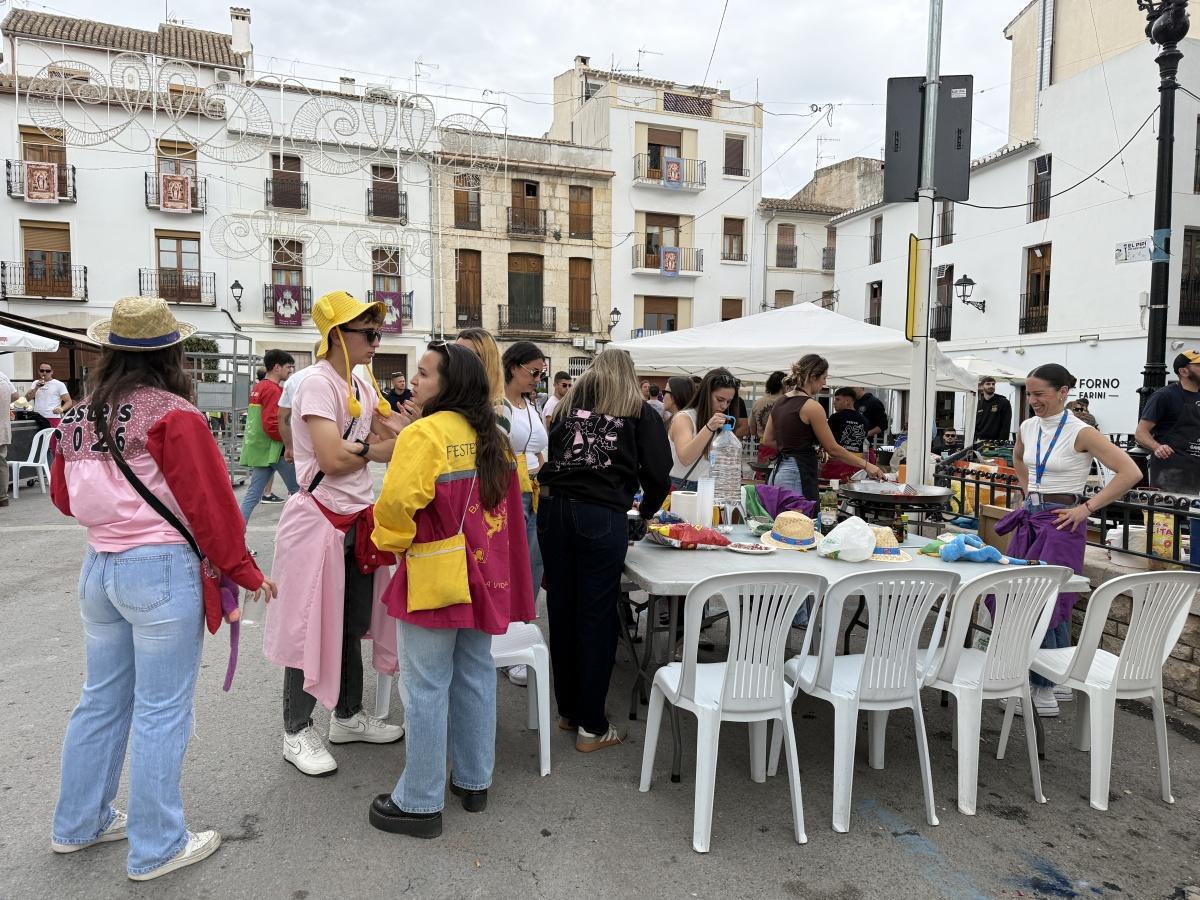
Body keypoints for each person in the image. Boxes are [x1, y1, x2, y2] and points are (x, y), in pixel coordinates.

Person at [48, 297, 275, 881]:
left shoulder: (75, 417)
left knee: (101, 699)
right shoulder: (173, 414)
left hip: (99, 567)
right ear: (172, 353)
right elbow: (212, 506)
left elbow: (64, 499)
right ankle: (157, 847)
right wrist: (245, 570)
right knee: (161, 711)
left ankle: (79, 822)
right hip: (159, 571)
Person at [369, 341, 533, 838]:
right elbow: (509, 510)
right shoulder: (494, 436)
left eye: (423, 373)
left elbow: (396, 506)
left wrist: (391, 544)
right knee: (475, 676)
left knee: (424, 687)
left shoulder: (423, 435)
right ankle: (473, 780)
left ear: (448, 383)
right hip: (483, 575)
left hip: (434, 573)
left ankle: (419, 800)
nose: (413, 382)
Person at [264, 291, 406, 777]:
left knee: (350, 623)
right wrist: (373, 450)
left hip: (356, 518)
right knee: (308, 627)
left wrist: (370, 445)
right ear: (336, 336)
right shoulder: (317, 384)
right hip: (318, 520)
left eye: (376, 332)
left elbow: (401, 432)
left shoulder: (361, 383)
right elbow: (330, 458)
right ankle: (296, 730)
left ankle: (346, 716)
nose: (375, 341)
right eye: (367, 333)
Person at [539, 349, 671, 751]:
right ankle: (592, 727)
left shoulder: (566, 408)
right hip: (601, 514)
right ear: (629, 376)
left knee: (562, 611)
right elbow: (659, 475)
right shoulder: (640, 412)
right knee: (596, 617)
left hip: (553, 509)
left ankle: (568, 712)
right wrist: (645, 513)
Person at [1006, 363, 1140, 716]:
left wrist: (1087, 508)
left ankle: (1042, 688)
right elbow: (1018, 457)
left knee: (1048, 598)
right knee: (1037, 595)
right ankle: (1055, 682)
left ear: (1063, 391)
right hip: (1032, 518)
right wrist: (1026, 489)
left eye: (1039, 394)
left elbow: (1131, 472)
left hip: (1063, 521)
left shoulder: (1083, 432)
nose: (1032, 400)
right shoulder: (1027, 426)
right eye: (1029, 394)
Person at [763, 355, 884, 500]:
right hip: (798, 474)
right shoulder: (812, 407)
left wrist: (792, 447)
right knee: (802, 521)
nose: (825, 383)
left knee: (783, 521)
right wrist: (867, 465)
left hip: (779, 471)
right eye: (824, 378)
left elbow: (768, 440)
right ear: (813, 377)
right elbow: (832, 448)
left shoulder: (780, 401)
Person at [500, 341, 549, 687]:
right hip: (509, 487)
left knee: (533, 564)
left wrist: (544, 476)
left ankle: (519, 631)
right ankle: (503, 641)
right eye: (533, 372)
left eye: (541, 373)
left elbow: (539, 445)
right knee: (509, 566)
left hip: (533, 488)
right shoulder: (498, 403)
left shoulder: (531, 404)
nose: (537, 379)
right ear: (513, 366)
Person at [239, 349, 299, 521]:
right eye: (288, 367)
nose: (290, 370)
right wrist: (290, 443)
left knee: (252, 495)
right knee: (300, 493)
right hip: (276, 450)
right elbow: (273, 424)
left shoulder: (258, 387)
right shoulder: (273, 390)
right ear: (277, 367)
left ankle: (236, 535)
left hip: (261, 451)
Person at [1136, 351, 1200, 495]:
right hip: (1170, 475)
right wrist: (1157, 447)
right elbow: (1141, 433)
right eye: (1198, 365)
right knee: (1166, 517)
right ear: (1183, 371)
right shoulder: (1164, 396)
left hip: (1196, 473)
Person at [668, 368, 738, 491]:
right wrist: (709, 428)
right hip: (683, 486)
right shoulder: (684, 418)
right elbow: (685, 458)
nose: (724, 406)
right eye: (720, 399)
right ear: (705, 395)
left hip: (709, 486)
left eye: (729, 401)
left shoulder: (721, 421)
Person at [820, 386, 870, 482]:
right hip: (856, 466)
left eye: (838, 399)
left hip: (837, 463)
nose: (834, 402)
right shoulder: (864, 420)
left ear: (848, 401)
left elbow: (825, 440)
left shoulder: (835, 418)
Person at [26, 362, 72, 452]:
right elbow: (27, 398)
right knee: (39, 445)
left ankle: (54, 464)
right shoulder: (35, 383)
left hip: (52, 418)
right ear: (38, 371)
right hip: (38, 417)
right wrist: (36, 388)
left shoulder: (59, 384)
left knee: (53, 445)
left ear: (52, 372)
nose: (44, 373)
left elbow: (69, 401)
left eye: (47, 371)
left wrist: (61, 409)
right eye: (42, 370)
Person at [750, 371, 786, 442]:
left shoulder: (758, 402)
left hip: (763, 445)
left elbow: (752, 430)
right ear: (784, 385)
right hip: (783, 444)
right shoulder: (787, 401)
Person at [975, 376, 1013, 442]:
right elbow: (975, 424)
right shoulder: (978, 404)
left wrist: (1001, 443)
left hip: (996, 442)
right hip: (980, 442)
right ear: (981, 386)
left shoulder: (1003, 402)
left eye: (993, 384)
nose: (991, 386)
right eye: (988, 384)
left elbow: (1006, 425)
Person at [0, 369, 15, 508]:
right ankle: (3, 497)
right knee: (2, 462)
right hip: (3, 428)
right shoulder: (3, 376)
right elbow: (15, 396)